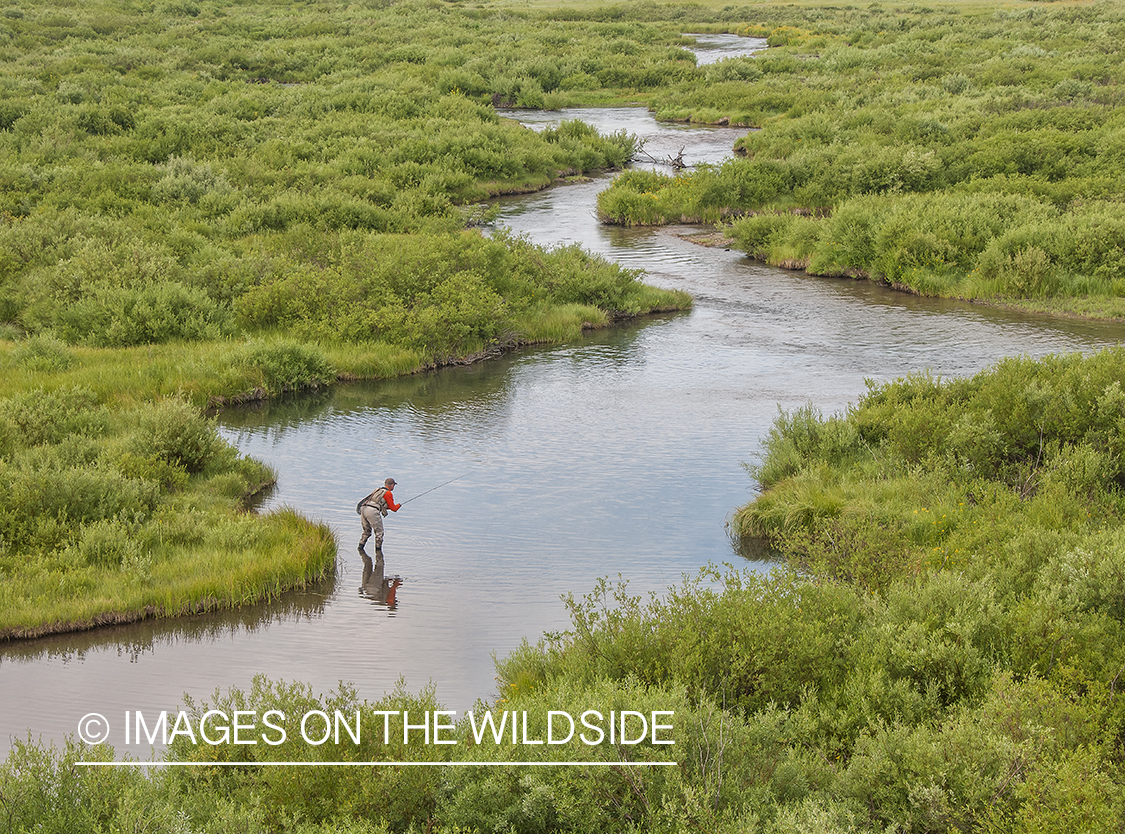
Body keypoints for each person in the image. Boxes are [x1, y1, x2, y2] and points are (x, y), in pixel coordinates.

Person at [358, 477, 401, 552]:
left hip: (364, 508)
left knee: (366, 531)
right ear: (391, 485)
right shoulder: (388, 493)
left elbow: (380, 504)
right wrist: (399, 505)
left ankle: (360, 548)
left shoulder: (378, 490)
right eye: (394, 485)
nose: (394, 487)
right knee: (379, 533)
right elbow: (394, 508)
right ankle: (378, 552)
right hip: (372, 511)